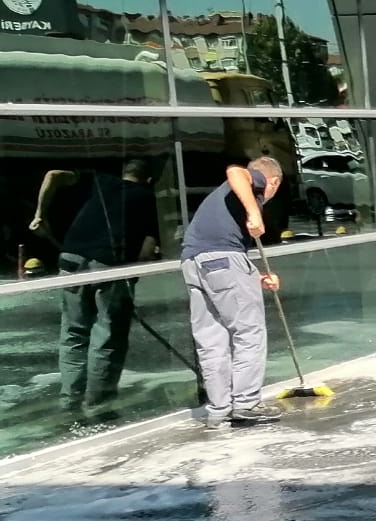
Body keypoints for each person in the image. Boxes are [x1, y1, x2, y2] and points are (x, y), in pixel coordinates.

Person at [31, 158, 160, 421]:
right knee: (107, 337)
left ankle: (70, 403)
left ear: (123, 173)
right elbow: (147, 251)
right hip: (109, 265)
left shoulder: (99, 180)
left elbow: (53, 173)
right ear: (149, 180)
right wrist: (132, 280)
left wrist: (39, 214)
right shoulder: (147, 197)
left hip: (71, 258)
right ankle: (99, 404)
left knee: (74, 333)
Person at [180, 156, 285, 427]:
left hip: (194, 263)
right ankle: (247, 403)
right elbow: (236, 171)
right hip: (224, 258)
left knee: (211, 340)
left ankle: (219, 410)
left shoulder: (223, 202)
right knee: (249, 332)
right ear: (274, 181)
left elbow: (225, 275)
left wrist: (257, 277)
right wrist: (254, 211)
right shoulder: (256, 182)